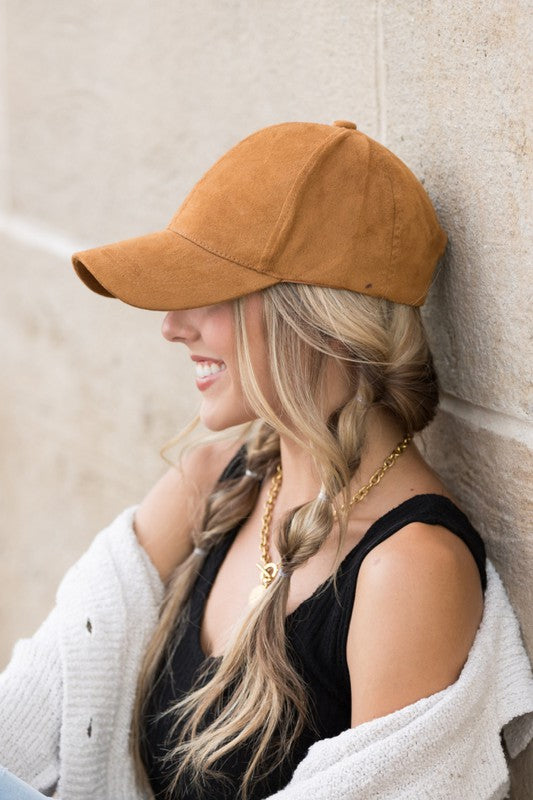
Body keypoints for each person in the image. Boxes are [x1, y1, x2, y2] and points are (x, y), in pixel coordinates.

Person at [1, 120, 532, 800]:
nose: (172, 325)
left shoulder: (410, 568)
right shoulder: (212, 482)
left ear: (315, 316)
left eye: (210, 291)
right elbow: (31, 711)